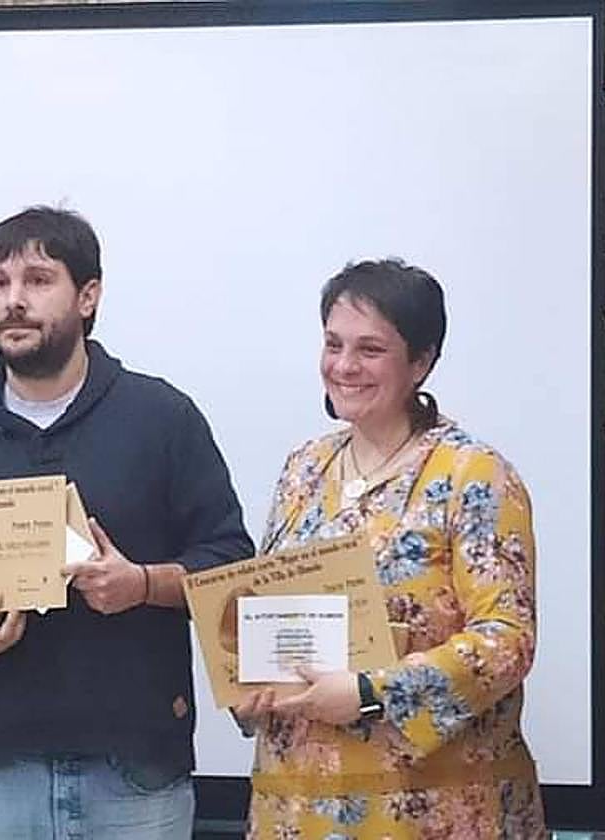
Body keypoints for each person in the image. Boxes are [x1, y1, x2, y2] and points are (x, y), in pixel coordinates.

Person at [0, 205, 254, 840]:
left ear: (88, 295)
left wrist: (142, 584)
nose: (13, 301)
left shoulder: (162, 417)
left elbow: (231, 566)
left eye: (37, 280)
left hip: (134, 772)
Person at [234, 259, 545, 838]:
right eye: (333, 344)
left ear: (421, 362)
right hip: (296, 810)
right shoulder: (303, 469)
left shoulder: (473, 475)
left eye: (370, 349)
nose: (344, 366)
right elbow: (268, 608)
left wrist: (371, 693)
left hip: (434, 814)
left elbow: (507, 639)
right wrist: (249, 683)